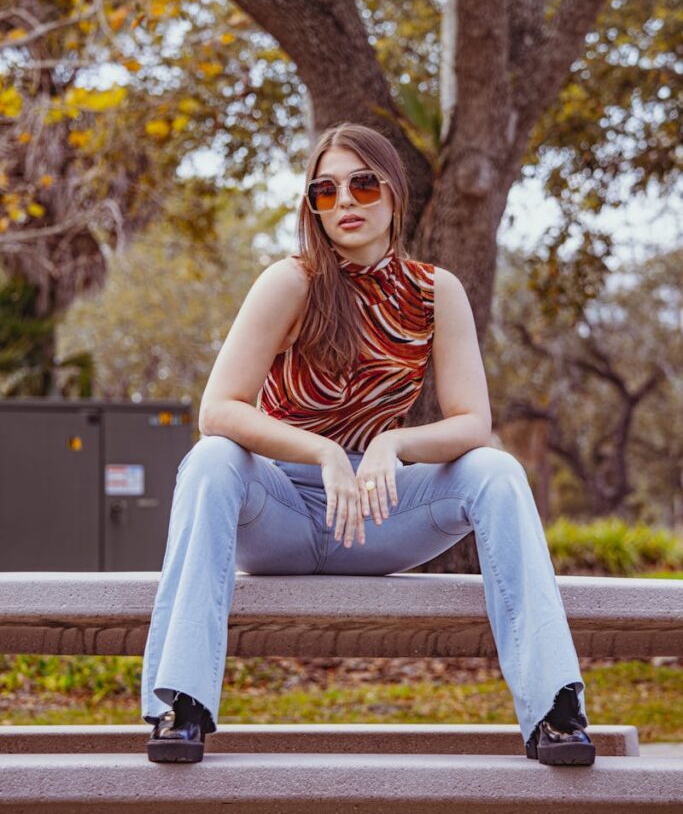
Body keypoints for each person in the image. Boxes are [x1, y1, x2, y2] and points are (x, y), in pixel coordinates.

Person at [142, 121, 594, 767]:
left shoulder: (436, 294)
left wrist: (393, 444)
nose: (345, 202)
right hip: (285, 513)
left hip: (379, 514)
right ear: (313, 207)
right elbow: (217, 410)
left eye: (361, 184)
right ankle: (178, 702)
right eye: (325, 192)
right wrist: (323, 453)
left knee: (495, 471)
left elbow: (472, 423)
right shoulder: (290, 282)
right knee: (210, 459)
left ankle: (554, 708)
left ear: (393, 193)